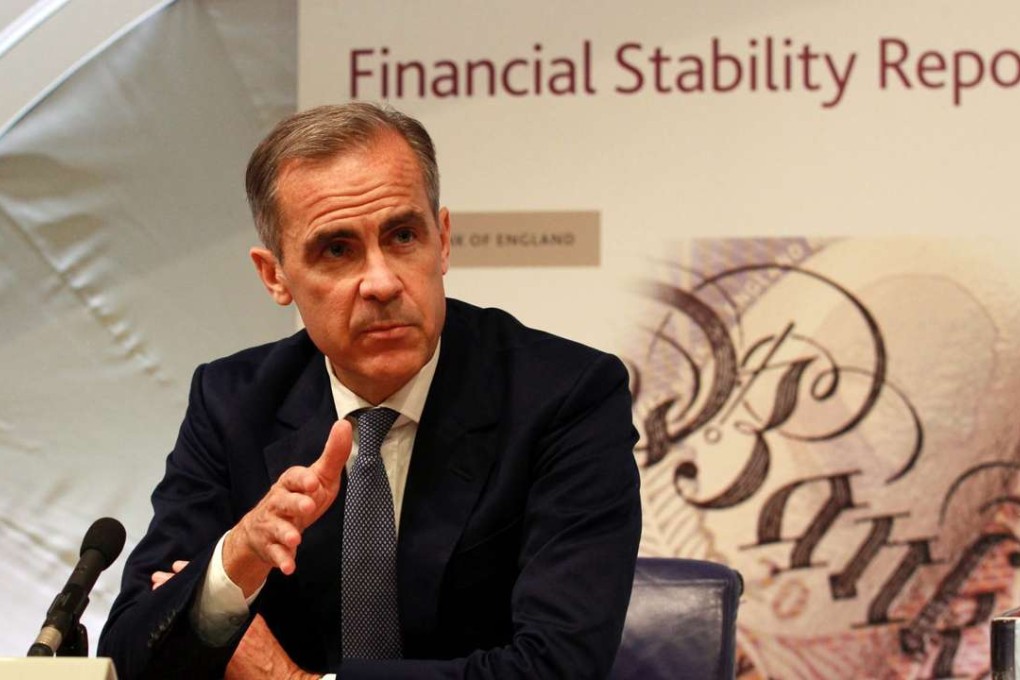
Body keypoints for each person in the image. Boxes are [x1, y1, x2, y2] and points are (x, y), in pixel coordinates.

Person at [98, 102, 641, 679]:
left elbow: (559, 668)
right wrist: (234, 563)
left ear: (444, 240)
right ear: (274, 275)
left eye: (403, 236)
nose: (381, 282)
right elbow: (130, 653)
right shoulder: (232, 402)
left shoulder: (564, 396)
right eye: (337, 250)